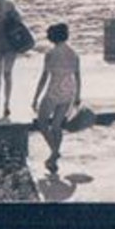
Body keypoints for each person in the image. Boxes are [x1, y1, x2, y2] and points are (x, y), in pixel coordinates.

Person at [32, 23, 81, 175]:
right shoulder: (74, 53)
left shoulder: (50, 54)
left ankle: (54, 152)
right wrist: (78, 95)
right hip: (69, 90)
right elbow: (78, 77)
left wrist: (35, 97)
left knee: (42, 122)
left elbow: (44, 77)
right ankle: (53, 157)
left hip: (54, 90)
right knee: (56, 126)